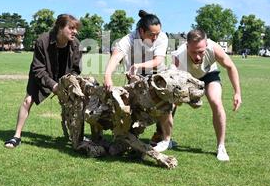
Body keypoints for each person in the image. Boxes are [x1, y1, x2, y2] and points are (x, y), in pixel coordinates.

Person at [4, 14, 82, 148]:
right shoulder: (43, 40)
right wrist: (53, 85)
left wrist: (68, 83)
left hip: (65, 76)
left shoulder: (76, 44)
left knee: (74, 103)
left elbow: (76, 68)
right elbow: (38, 68)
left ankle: (76, 136)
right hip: (42, 73)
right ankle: (16, 136)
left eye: (76, 29)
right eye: (71, 28)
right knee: (28, 100)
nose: (75, 31)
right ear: (60, 28)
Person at [103, 10, 173, 152]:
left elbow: (158, 60)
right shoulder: (127, 40)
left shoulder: (162, 37)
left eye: (157, 34)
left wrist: (140, 65)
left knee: (164, 108)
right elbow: (116, 57)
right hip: (134, 77)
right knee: (130, 108)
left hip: (157, 75)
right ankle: (126, 138)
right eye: (151, 34)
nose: (155, 38)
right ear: (141, 31)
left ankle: (166, 140)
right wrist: (107, 76)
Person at [171, 29, 242, 161]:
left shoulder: (214, 48)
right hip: (187, 77)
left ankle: (221, 146)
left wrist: (237, 92)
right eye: (193, 52)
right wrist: (178, 98)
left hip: (209, 75)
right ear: (187, 46)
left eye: (201, 52)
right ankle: (165, 138)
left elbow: (230, 67)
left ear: (206, 46)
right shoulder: (178, 55)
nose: (198, 57)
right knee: (171, 104)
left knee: (216, 102)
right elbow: (172, 79)